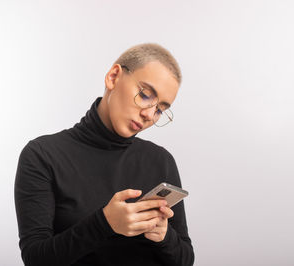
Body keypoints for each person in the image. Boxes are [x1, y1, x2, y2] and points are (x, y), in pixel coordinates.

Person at [14, 43, 195, 266]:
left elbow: (186, 260)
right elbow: (35, 259)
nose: (149, 114)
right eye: (146, 95)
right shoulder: (42, 155)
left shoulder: (161, 161)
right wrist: (105, 223)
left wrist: (165, 236)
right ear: (113, 77)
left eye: (160, 110)